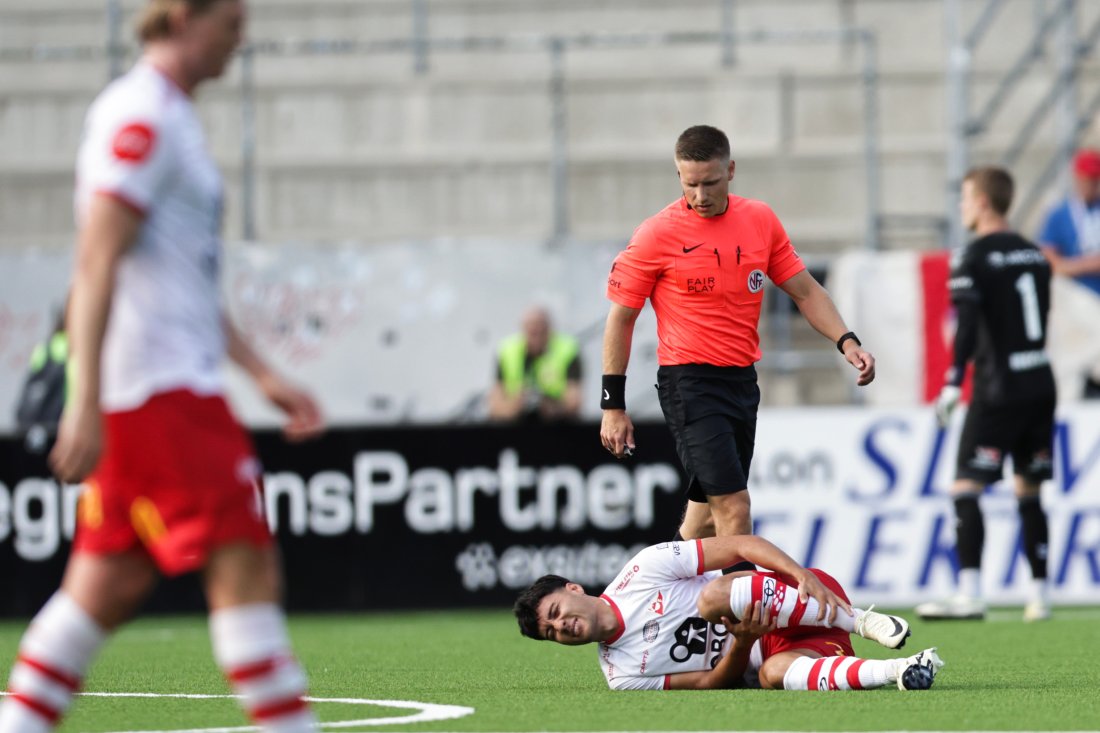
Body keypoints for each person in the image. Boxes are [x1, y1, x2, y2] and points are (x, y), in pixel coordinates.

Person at [0, 2, 325, 732]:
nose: (239, 45)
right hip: (159, 395)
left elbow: (182, 277)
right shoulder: (139, 115)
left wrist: (258, 370)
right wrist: (84, 395)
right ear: (182, 16)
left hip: (160, 386)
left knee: (105, 586)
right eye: (230, 27)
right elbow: (96, 258)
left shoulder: (170, 117)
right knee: (246, 565)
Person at [599, 125, 875, 544]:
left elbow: (805, 291)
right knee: (734, 506)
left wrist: (847, 340)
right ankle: (741, 610)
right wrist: (612, 406)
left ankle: (665, 600)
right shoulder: (657, 235)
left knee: (703, 520)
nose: (700, 196)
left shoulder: (759, 220)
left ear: (730, 170)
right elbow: (621, 319)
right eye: (690, 184)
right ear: (678, 177)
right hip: (689, 382)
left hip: (742, 381)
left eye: (710, 183)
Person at [513, 534, 943, 691]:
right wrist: (743, 641)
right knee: (772, 676)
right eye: (551, 633)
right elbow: (709, 681)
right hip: (784, 653)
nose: (560, 626)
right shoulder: (619, 676)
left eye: (554, 611)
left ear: (573, 588)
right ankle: (899, 671)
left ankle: (861, 620)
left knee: (711, 598)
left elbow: (740, 545)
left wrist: (798, 572)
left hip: (804, 601)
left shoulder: (642, 570)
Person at [921, 166, 1056, 623]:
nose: (962, 207)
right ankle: (1040, 596)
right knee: (1029, 488)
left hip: (998, 387)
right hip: (1040, 380)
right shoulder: (1035, 254)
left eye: (964, 198)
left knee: (965, 486)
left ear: (981, 201)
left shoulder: (972, 256)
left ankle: (971, 592)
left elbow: (969, 324)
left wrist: (954, 381)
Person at [1037, 147, 1100, 398]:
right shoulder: (1059, 215)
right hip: (1074, 302)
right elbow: (1049, 261)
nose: (1090, 185)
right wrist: (1088, 264)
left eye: (1094, 180)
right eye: (1086, 179)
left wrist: (1069, 264)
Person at [487, 305, 582, 423]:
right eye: (531, 330)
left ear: (549, 329)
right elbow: (495, 405)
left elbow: (574, 402)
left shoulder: (567, 350)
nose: (535, 334)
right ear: (523, 329)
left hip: (557, 426)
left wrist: (550, 406)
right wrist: (516, 405)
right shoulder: (507, 351)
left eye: (540, 329)